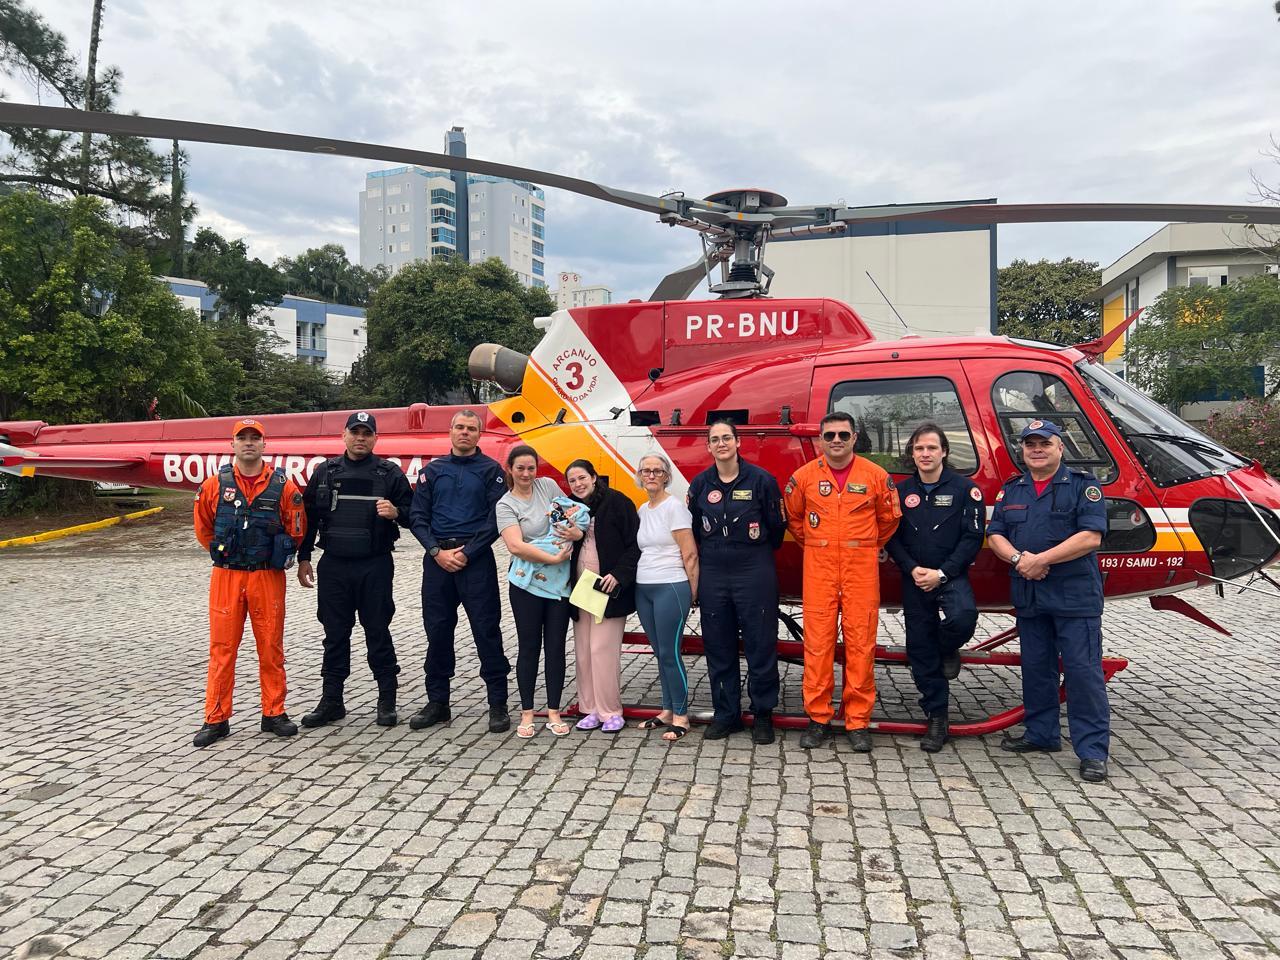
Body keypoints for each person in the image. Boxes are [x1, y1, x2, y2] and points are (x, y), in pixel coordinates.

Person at [986, 420, 1111, 782]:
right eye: (1030, 444)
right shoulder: (1013, 489)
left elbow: (1090, 537)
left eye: (1045, 443)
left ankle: (1092, 751)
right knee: (1036, 667)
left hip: (1074, 596)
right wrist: (1018, 560)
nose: (1036, 449)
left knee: (1082, 673)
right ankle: (1041, 735)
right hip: (1030, 593)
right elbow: (996, 536)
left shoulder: (1082, 487)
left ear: (1060, 448)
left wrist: (1041, 560)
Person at [785, 411, 901, 753]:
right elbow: (793, 516)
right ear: (821, 439)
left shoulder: (876, 476)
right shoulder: (804, 477)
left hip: (860, 569)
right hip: (819, 569)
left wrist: (865, 546)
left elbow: (889, 519)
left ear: (854, 438)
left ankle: (857, 720)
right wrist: (819, 546)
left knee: (860, 645)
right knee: (817, 646)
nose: (836, 441)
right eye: (830, 435)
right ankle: (818, 718)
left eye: (843, 435)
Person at [192, 418, 307, 748]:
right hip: (227, 576)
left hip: (267, 577)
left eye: (254, 437)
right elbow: (204, 529)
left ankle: (274, 712)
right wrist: (229, 554)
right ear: (233, 445)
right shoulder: (214, 485)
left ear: (264, 444)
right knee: (222, 649)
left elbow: (296, 527)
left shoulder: (284, 486)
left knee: (271, 647)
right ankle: (216, 718)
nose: (248, 443)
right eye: (242, 438)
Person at [295, 411, 414, 729]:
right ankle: (332, 701)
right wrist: (303, 557)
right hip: (334, 564)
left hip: (374, 564)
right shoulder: (325, 472)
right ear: (344, 435)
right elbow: (307, 518)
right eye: (355, 432)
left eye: (367, 433)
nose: (360, 438)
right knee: (334, 635)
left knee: (377, 631)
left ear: (375, 438)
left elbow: (415, 513)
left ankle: (386, 700)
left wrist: (396, 511)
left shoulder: (389, 474)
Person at [407, 410, 511, 733]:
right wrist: (436, 552)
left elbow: (496, 519)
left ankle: (498, 704)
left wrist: (467, 552)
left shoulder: (491, 472)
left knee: (487, 630)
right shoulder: (432, 472)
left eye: (471, 429)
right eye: (460, 428)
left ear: (479, 435)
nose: (465, 433)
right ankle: (438, 702)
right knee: (437, 631)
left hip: (475, 561)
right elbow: (417, 517)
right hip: (437, 561)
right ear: (450, 431)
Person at [886, 423, 984, 753]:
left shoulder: (964, 490)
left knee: (963, 617)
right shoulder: (900, 492)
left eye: (931, 448)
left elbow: (972, 539)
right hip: (914, 578)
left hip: (949, 575)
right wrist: (913, 569)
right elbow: (891, 537)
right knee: (920, 646)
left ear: (943, 451)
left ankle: (947, 647)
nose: (925, 454)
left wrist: (942, 573)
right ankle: (937, 717)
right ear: (912, 454)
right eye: (918, 449)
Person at [687, 419, 785, 744]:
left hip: (754, 569)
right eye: (714, 439)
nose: (721, 444)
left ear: (737, 442)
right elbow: (696, 531)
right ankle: (726, 714)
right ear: (708, 446)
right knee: (718, 645)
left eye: (726, 437)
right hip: (714, 570)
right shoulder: (700, 485)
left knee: (760, 644)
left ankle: (762, 714)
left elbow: (776, 530)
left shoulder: (762, 481)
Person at [497, 445, 588, 739]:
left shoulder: (547, 486)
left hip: (559, 584)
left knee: (556, 647)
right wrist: (553, 558)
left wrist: (577, 533)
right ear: (509, 469)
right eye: (520, 468)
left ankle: (553, 710)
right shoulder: (505, 505)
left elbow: (568, 517)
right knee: (529, 646)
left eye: (531, 468)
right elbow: (515, 546)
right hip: (527, 583)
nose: (526, 473)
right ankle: (526, 712)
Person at [565, 459, 640, 734]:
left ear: (594, 477)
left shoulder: (618, 502)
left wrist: (619, 574)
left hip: (607, 589)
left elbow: (635, 545)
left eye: (582, 477)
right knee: (584, 652)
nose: (578, 484)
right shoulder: (571, 508)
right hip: (581, 587)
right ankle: (589, 708)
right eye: (572, 480)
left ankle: (610, 710)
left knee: (602, 651)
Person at [633, 453, 699, 742]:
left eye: (657, 471)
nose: (651, 475)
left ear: (666, 476)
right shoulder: (643, 509)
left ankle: (682, 715)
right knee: (659, 652)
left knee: (671, 653)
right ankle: (667, 709)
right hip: (643, 586)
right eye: (646, 471)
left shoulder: (675, 508)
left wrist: (692, 593)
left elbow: (690, 553)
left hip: (671, 585)